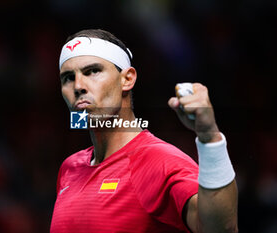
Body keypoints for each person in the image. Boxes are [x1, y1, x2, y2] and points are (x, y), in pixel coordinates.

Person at [50, 29, 238, 233]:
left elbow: (221, 229)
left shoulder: (160, 161)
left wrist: (210, 137)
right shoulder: (69, 168)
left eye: (93, 71)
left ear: (127, 79)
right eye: (68, 77)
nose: (78, 86)